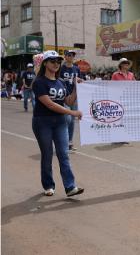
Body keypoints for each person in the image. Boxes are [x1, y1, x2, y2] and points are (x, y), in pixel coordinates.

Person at [32, 50, 84, 197]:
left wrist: (75, 87)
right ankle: (48, 185)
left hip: (60, 122)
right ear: (45, 63)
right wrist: (72, 113)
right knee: (47, 154)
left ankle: (70, 187)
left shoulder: (60, 82)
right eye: (52, 61)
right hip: (43, 122)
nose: (56, 64)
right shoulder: (39, 82)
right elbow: (50, 105)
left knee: (64, 154)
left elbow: (68, 101)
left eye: (58, 62)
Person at [60, 50, 81, 151]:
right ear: (65, 57)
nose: (71, 56)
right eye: (69, 55)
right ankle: (63, 141)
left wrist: (79, 81)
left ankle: (69, 142)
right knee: (66, 119)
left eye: (73, 55)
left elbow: (81, 80)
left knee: (72, 120)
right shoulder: (60, 69)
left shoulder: (76, 69)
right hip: (63, 97)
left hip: (74, 97)